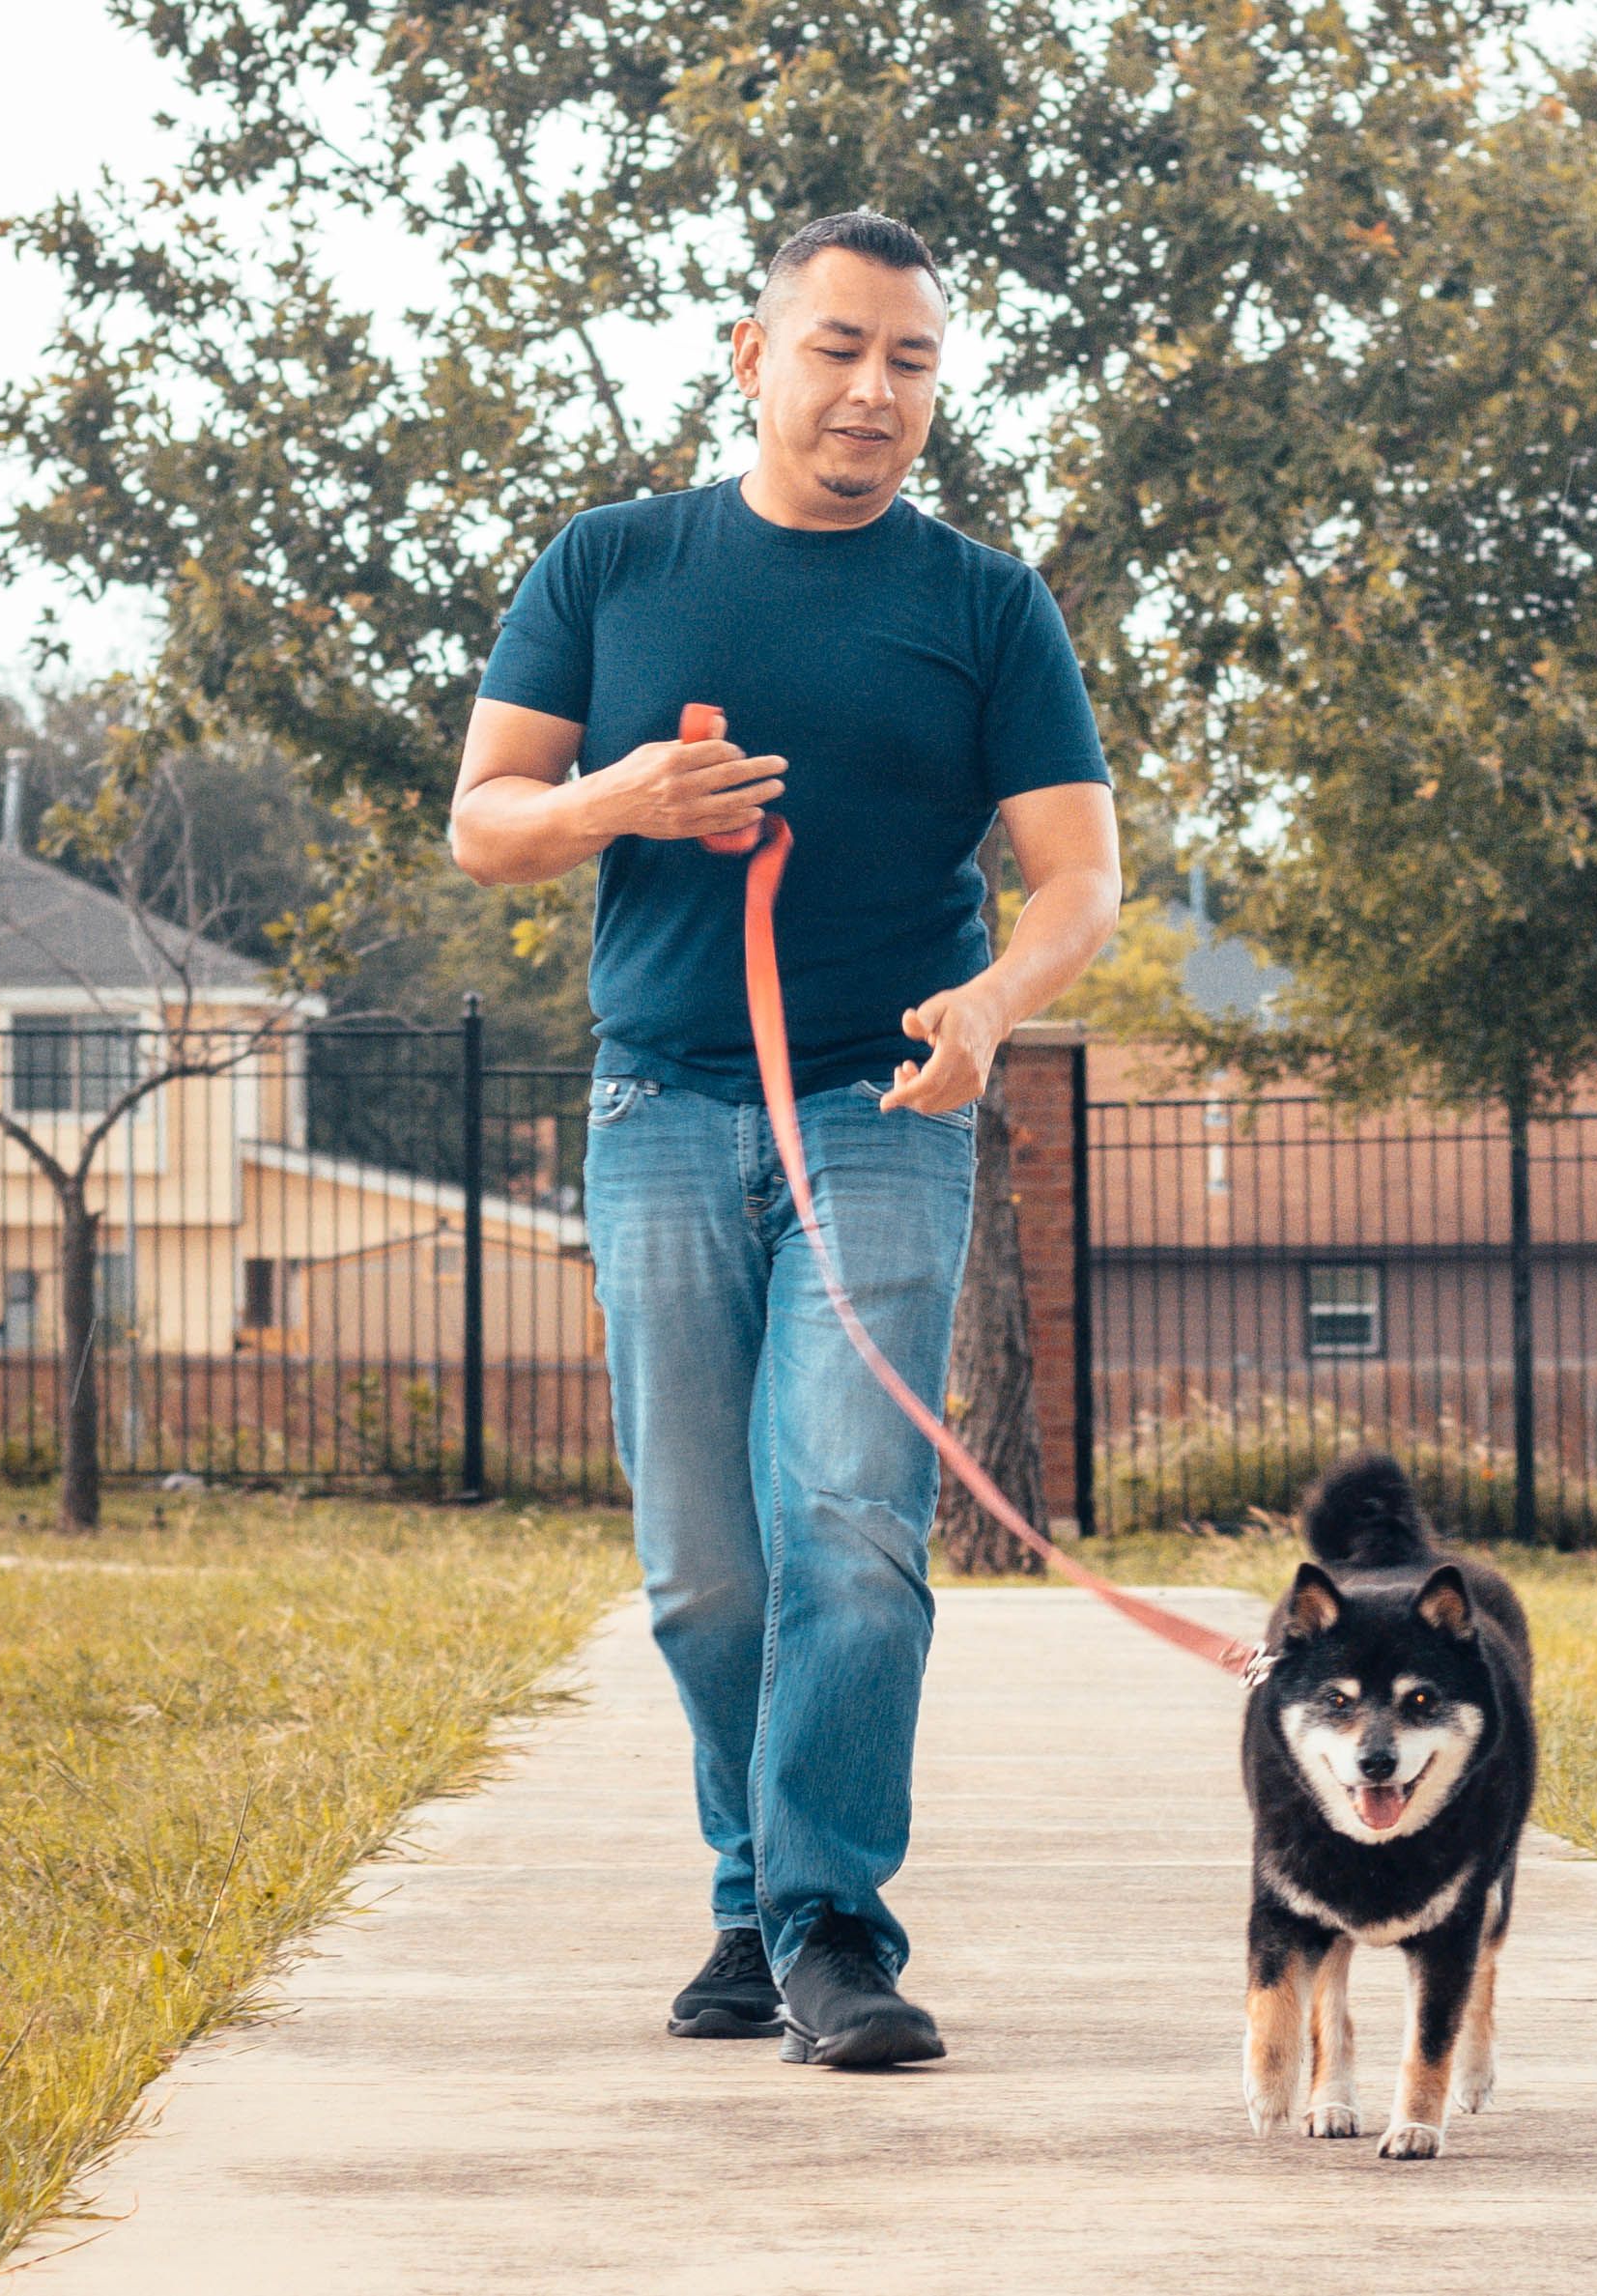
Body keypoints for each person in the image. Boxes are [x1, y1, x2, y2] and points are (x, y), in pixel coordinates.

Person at [448, 211, 1120, 2069]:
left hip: (881, 1116)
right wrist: (620, 796)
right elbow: (485, 822)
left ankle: (830, 1925)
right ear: (752, 359)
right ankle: (751, 1893)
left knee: (844, 1525)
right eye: (838, 348)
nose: (874, 390)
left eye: (910, 360)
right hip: (659, 1107)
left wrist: (991, 1006)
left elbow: (1078, 877)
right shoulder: (613, 562)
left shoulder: (986, 604)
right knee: (701, 1563)